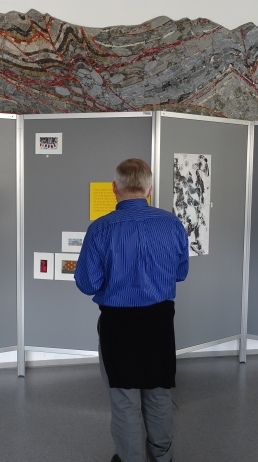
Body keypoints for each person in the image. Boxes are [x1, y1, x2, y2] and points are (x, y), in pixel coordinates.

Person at [74, 158, 189, 462]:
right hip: (160, 320)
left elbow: (87, 283)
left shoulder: (100, 229)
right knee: (159, 391)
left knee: (124, 397)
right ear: (149, 189)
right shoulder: (172, 224)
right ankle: (162, 457)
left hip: (118, 323)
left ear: (114, 188)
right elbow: (180, 273)